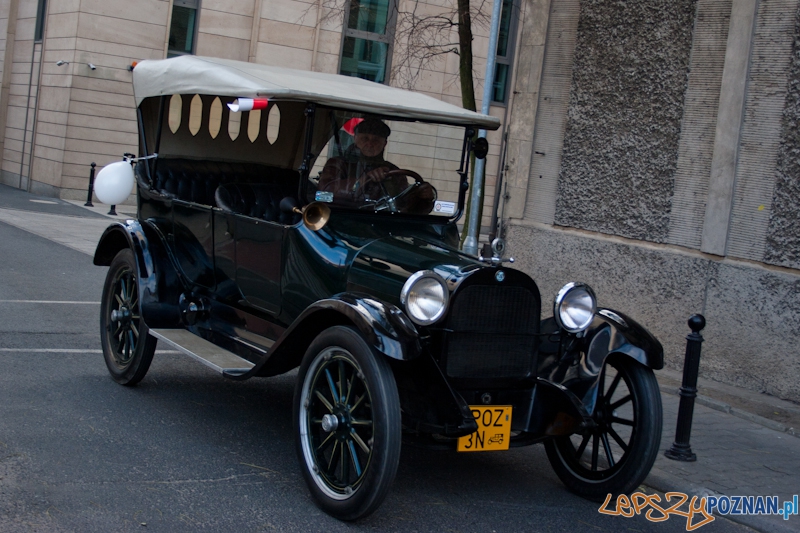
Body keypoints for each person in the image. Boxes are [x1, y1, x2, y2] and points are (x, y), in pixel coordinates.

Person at [318, 118, 435, 213]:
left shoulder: (393, 170)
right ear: (355, 139)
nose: (370, 143)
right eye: (365, 138)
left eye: (376, 140)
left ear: (384, 143)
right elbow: (324, 193)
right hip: (345, 218)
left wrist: (423, 197)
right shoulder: (338, 163)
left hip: (382, 224)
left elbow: (404, 205)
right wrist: (361, 181)